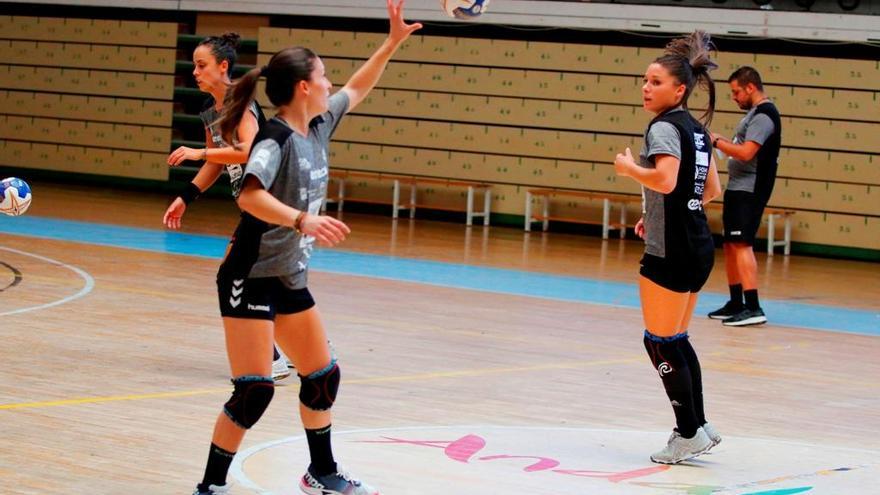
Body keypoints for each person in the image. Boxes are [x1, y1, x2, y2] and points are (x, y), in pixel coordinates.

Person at [191, 2, 421, 494]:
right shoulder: (275, 140)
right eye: (323, 75)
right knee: (253, 392)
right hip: (248, 276)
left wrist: (392, 42)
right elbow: (250, 195)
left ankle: (321, 472)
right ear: (303, 87)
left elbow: (359, 86)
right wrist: (302, 219)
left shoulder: (318, 125)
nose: (331, 83)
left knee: (322, 378)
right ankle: (210, 486)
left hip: (289, 278)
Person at [612, 31, 723, 464]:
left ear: (679, 89)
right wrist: (656, 211)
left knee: (659, 342)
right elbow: (708, 189)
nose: (646, 86)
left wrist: (629, 169)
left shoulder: (662, 127)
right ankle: (698, 425)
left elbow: (667, 180)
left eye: (655, 81)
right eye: (644, 79)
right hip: (697, 243)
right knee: (676, 339)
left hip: (672, 250)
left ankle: (688, 431)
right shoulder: (698, 129)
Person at [161, 32, 292, 380]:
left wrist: (198, 152)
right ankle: (307, 348)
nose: (195, 72)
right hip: (253, 205)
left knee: (234, 275)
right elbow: (216, 163)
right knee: (271, 279)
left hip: (270, 198)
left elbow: (249, 150)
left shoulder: (241, 101)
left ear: (223, 66)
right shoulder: (209, 111)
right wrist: (185, 197)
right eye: (193, 66)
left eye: (202, 65)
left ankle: (272, 357)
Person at [707, 66, 782, 327]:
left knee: (742, 244)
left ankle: (753, 306)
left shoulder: (764, 115)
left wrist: (716, 142)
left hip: (750, 189)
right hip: (739, 186)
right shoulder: (754, 114)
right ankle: (736, 302)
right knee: (730, 245)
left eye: (736, 92)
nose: (734, 97)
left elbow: (746, 153)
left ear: (750, 88)